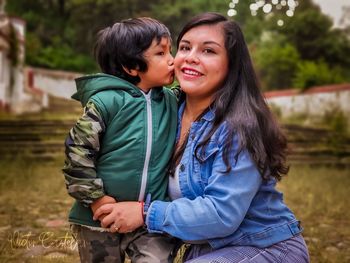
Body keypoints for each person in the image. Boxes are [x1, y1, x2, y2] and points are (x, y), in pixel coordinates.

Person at [93, 12, 310, 262]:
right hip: (206, 251)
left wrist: (145, 213)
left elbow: (222, 214)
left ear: (231, 64)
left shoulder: (240, 126)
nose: (190, 58)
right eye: (185, 47)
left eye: (208, 51)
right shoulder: (165, 113)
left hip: (263, 246)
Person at [62, 17, 179, 263]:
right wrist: (96, 199)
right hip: (98, 219)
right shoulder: (106, 103)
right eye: (161, 53)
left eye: (171, 50)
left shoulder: (171, 101)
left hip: (149, 220)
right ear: (130, 66)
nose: (173, 59)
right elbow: (78, 151)